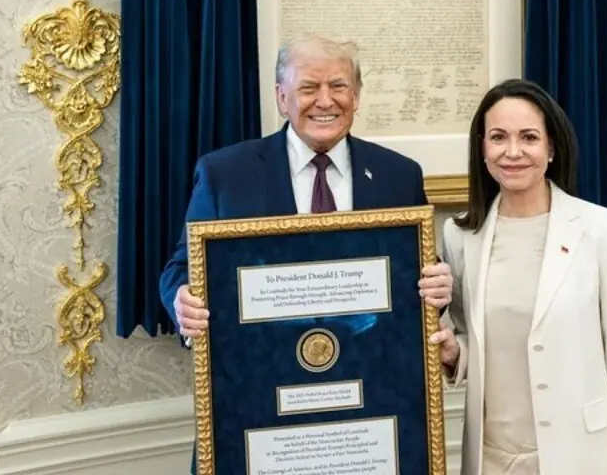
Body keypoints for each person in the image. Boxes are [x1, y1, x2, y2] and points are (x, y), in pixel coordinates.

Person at [158, 34, 453, 474]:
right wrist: (183, 300)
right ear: (281, 97)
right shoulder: (225, 174)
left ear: (356, 95)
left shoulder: (398, 175)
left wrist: (437, 289)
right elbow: (181, 268)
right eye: (308, 88)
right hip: (258, 398)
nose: (325, 101)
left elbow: (410, 281)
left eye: (338, 86)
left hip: (367, 404)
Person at [428, 79, 607, 475]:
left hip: (585, 456)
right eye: (498, 137)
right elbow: (475, 341)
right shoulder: (460, 235)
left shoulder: (602, 230)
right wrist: (452, 353)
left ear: (551, 148)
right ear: (482, 148)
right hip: (491, 459)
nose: (513, 152)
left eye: (529, 137)